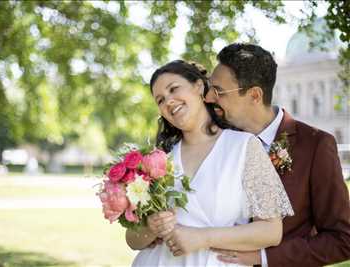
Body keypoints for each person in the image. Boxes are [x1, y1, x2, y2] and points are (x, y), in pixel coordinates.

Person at [126, 60, 294, 266]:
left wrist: (203, 238)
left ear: (198, 87)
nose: (168, 101)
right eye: (160, 100)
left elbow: (271, 231)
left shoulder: (244, 146)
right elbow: (132, 240)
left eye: (173, 89)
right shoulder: (159, 159)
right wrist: (150, 227)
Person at [204, 43, 350, 266]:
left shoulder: (316, 145)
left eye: (219, 91)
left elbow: (342, 239)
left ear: (254, 95)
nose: (209, 98)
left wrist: (263, 258)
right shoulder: (214, 141)